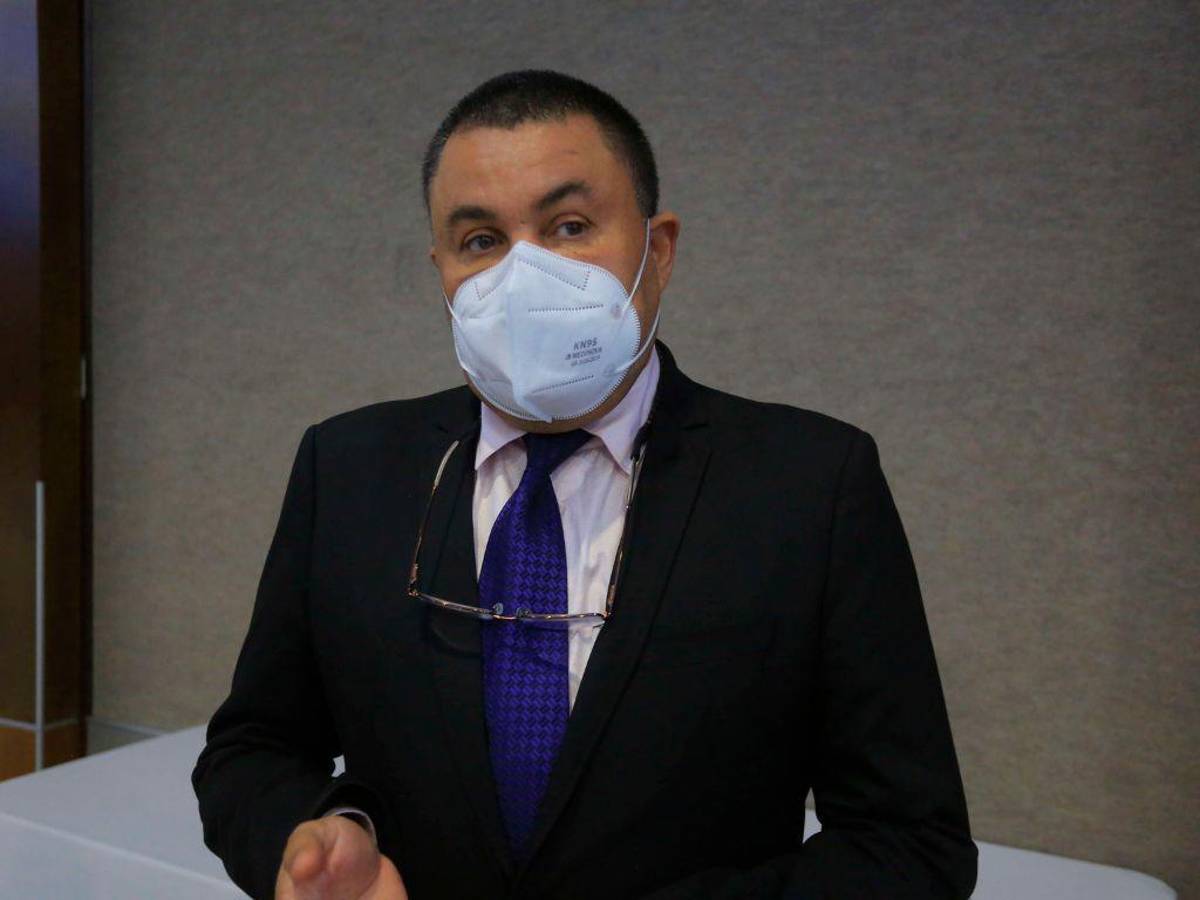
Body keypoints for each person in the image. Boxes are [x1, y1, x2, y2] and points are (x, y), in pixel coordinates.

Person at [192, 69, 977, 900]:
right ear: (441, 270)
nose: (524, 275)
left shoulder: (810, 485)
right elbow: (253, 749)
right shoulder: (349, 467)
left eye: (569, 227)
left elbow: (909, 845)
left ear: (657, 251)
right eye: (481, 241)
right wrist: (316, 835)